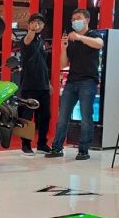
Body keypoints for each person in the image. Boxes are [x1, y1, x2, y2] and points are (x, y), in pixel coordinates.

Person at [46, 9, 103, 161]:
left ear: (87, 20)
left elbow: (99, 44)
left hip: (88, 81)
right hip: (71, 82)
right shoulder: (71, 40)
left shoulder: (93, 34)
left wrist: (79, 37)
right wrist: (64, 48)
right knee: (63, 117)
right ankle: (57, 147)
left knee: (86, 117)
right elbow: (63, 64)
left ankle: (83, 150)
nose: (75, 21)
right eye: (73, 19)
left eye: (78, 18)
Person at [19, 13, 51, 155]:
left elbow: (43, 64)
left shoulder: (42, 41)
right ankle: (25, 145)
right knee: (27, 116)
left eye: (40, 23)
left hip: (43, 85)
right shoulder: (25, 40)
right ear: (29, 24)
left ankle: (42, 143)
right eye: (34, 22)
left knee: (45, 115)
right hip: (29, 85)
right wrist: (32, 30)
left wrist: (48, 83)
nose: (37, 25)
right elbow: (27, 40)